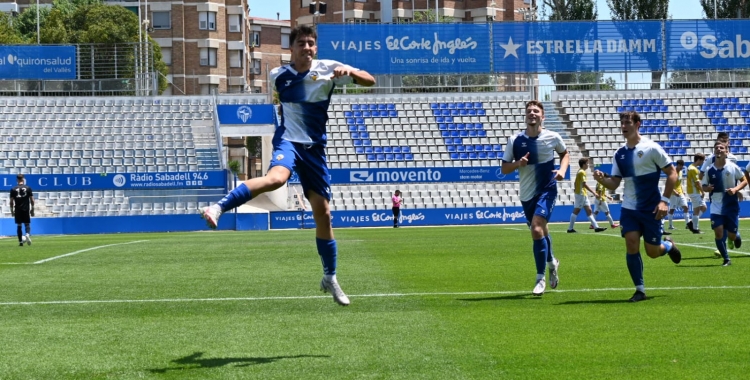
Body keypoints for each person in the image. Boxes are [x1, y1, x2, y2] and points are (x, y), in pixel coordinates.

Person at [199, 25, 376, 306]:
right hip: (289, 141)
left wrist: (351, 73)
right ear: (291, 49)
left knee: (324, 214)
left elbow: (370, 81)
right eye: (302, 43)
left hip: (315, 149)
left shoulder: (330, 68)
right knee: (277, 178)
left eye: (311, 43)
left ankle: (330, 277)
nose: (307, 47)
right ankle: (217, 207)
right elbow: (282, 106)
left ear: (316, 48)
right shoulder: (277, 75)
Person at [593, 111, 682, 303]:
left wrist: (664, 201)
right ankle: (639, 289)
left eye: (627, 122)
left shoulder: (651, 148)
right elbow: (615, 183)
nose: (623, 126)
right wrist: (603, 180)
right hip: (629, 208)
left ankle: (668, 245)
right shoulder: (619, 154)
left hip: (651, 208)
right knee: (631, 242)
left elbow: (672, 173)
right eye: (622, 122)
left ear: (638, 124)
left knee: (652, 252)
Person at [501, 100, 569, 297]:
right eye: (529, 111)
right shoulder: (515, 140)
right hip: (526, 194)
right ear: (525, 116)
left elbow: (565, 154)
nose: (532, 113)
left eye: (536, 111)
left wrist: (563, 170)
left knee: (537, 228)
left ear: (542, 116)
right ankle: (551, 263)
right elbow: (504, 169)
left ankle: (540, 278)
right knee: (542, 231)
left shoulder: (552, 137)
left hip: (547, 190)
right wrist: (517, 164)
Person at [703, 142, 745, 267]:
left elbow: (744, 180)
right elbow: (703, 185)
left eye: (721, 148)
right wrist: (707, 188)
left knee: (731, 236)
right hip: (716, 205)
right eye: (716, 148)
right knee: (719, 233)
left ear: (727, 152)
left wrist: (736, 189)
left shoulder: (732, 167)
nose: (718, 150)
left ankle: (735, 236)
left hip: (730, 204)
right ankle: (726, 259)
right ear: (714, 152)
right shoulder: (709, 169)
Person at [567, 157, 607, 233]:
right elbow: (584, 184)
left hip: (582, 194)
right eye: (587, 163)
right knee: (576, 210)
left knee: (589, 210)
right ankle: (570, 228)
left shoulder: (580, 171)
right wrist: (594, 192)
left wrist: (576, 189)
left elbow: (576, 182)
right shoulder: (582, 172)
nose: (588, 165)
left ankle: (596, 227)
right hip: (581, 194)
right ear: (584, 164)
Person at [9, 174, 34, 247]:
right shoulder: (28, 188)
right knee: (27, 224)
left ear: (17, 179)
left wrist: (12, 211)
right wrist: (32, 209)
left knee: (19, 225)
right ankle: (27, 234)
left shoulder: (13, 189)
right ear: (23, 179)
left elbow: (11, 202)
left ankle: (20, 242)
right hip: (26, 209)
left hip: (17, 209)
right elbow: (32, 200)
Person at [667, 160, 691, 230]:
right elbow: (669, 184)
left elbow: (679, 183)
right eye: (680, 165)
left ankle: (688, 224)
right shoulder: (672, 172)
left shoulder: (680, 172)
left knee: (686, 207)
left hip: (680, 193)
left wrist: (682, 191)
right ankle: (670, 226)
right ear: (677, 165)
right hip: (673, 194)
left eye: (682, 166)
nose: (681, 167)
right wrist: (674, 191)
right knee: (672, 210)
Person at [686, 153, 706, 234]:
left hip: (694, 191)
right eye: (702, 161)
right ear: (699, 160)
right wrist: (702, 191)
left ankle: (691, 223)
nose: (702, 163)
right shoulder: (693, 169)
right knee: (697, 210)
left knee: (704, 207)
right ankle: (695, 228)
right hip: (694, 191)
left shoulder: (691, 167)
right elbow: (697, 182)